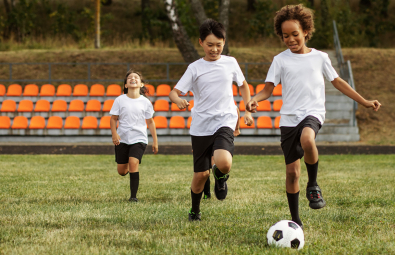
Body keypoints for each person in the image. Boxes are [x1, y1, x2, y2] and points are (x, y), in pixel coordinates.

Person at [246, 4, 381, 228]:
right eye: (285, 35)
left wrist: (364, 101)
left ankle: (314, 185)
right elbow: (268, 89)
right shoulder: (280, 60)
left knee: (308, 139)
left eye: (295, 34)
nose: (290, 39)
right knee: (291, 174)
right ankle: (296, 220)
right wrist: (254, 99)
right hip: (289, 119)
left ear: (306, 31)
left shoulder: (320, 58)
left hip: (313, 113)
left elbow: (338, 82)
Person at [169, 19, 253, 221]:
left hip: (225, 119)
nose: (214, 49)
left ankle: (221, 177)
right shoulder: (194, 68)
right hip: (201, 125)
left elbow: (243, 85)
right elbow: (174, 92)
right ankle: (194, 211)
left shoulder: (231, 62)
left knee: (224, 163)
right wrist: (179, 100)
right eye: (210, 45)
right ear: (200, 43)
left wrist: (247, 107)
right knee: (201, 175)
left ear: (224, 42)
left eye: (219, 44)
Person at [110, 70, 159, 202]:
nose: (133, 79)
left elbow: (150, 122)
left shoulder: (146, 102)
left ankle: (133, 197)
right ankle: (128, 167)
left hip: (139, 138)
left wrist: (155, 141)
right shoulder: (120, 100)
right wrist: (114, 134)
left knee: (133, 162)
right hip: (123, 138)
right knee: (122, 170)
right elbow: (113, 119)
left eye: (136, 77)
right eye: (129, 78)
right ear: (125, 85)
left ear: (141, 84)